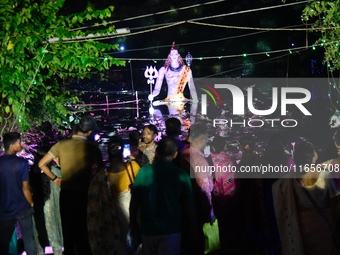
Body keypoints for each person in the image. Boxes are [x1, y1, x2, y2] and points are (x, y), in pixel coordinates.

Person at [39, 115, 103, 255]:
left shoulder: (61, 145)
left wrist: (56, 178)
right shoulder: (92, 149)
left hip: (66, 194)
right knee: (83, 233)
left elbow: (41, 164)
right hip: (83, 194)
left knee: (68, 233)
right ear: (90, 132)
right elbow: (100, 172)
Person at [272, 138, 340, 255]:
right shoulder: (325, 175)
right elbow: (337, 203)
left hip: (303, 230)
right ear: (314, 156)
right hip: (324, 230)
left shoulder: (287, 181)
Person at [130, 137, 196, 255]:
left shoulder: (143, 172)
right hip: (172, 229)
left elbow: (135, 201)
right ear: (175, 154)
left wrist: (132, 222)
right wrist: (192, 226)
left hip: (148, 228)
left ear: (157, 152)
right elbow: (189, 205)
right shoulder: (181, 175)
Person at [88, 137, 140, 255]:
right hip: (133, 215)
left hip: (111, 221)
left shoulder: (101, 176)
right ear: (122, 152)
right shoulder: (133, 167)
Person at [180, 124, 215, 255]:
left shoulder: (182, 155)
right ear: (201, 139)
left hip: (183, 206)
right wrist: (210, 212)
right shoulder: (200, 161)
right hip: (198, 207)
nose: (206, 142)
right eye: (206, 139)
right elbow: (205, 189)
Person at [0, 132, 37, 255]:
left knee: (4, 241)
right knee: (28, 239)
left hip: (5, 209)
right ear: (12, 145)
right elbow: (25, 188)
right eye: (19, 142)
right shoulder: (22, 163)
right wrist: (31, 203)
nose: (21, 144)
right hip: (22, 207)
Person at [148, 42, 198, 118]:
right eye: (172, 54)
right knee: (156, 106)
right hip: (169, 100)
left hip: (181, 100)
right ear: (169, 55)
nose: (174, 55)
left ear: (178, 55)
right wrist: (152, 94)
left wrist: (195, 98)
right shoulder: (163, 69)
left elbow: (192, 87)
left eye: (175, 53)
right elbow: (157, 89)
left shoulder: (186, 70)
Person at [32, 146, 63, 255]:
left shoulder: (32, 173)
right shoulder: (56, 173)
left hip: (38, 210)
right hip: (53, 211)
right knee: (54, 236)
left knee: (39, 233)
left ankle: (40, 251)